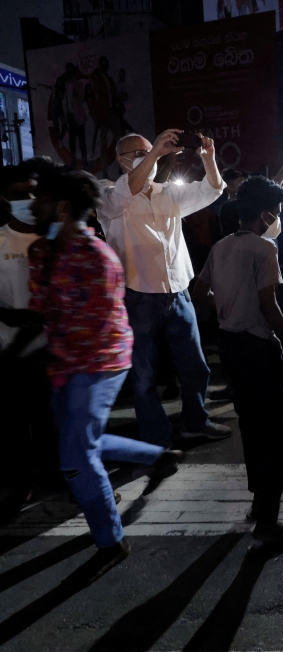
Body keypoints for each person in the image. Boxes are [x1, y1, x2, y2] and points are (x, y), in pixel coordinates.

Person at [28, 168, 182, 584]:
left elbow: (93, 329)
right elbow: (42, 308)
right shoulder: (42, 252)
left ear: (61, 207)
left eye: (39, 199)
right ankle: (157, 457)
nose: (32, 206)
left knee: (75, 457)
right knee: (84, 441)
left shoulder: (96, 256)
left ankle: (111, 542)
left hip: (99, 362)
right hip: (66, 363)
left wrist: (61, 371)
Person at [98, 130, 232, 448]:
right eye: (140, 153)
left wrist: (208, 158)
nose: (151, 156)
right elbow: (128, 190)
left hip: (178, 292)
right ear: (121, 160)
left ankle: (195, 422)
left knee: (195, 365)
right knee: (144, 375)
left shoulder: (168, 193)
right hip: (137, 295)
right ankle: (155, 436)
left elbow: (212, 189)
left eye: (153, 151)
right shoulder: (110, 195)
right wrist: (156, 150)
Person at [194, 176, 283, 549]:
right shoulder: (264, 249)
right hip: (258, 348)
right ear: (264, 214)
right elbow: (268, 303)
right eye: (275, 213)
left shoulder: (222, 246)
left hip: (230, 345)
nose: (276, 219)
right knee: (281, 437)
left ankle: (260, 503)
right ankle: (268, 524)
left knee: (252, 428)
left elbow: (199, 289)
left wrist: (224, 308)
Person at [0, 159, 59, 514]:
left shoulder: (55, 237)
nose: (30, 199)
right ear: (4, 197)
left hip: (54, 352)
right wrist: (13, 316)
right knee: (14, 426)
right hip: (9, 352)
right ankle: (20, 485)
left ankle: (54, 476)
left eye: (35, 192)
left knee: (52, 421)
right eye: (20, 194)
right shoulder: (0, 239)